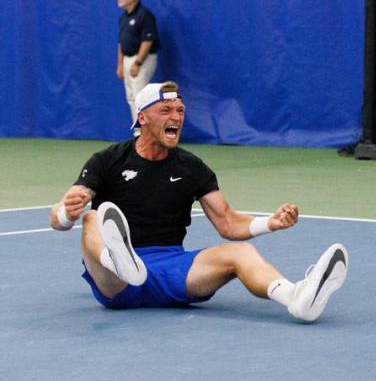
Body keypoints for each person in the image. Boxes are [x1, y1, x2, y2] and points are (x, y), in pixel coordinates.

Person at [49, 81, 348, 320]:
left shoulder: (191, 167)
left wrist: (270, 223)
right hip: (117, 282)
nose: (176, 117)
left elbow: (228, 222)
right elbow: (60, 217)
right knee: (91, 218)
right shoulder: (107, 160)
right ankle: (118, 260)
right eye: (166, 110)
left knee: (240, 251)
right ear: (142, 117)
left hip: (173, 269)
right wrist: (66, 213)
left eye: (180, 110)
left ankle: (296, 298)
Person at [114, 0, 160, 123]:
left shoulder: (145, 15)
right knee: (131, 97)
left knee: (140, 96)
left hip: (142, 59)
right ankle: (139, 132)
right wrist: (120, 65)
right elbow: (122, 42)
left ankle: (146, 133)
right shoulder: (123, 18)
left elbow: (147, 41)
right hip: (128, 59)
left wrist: (138, 63)